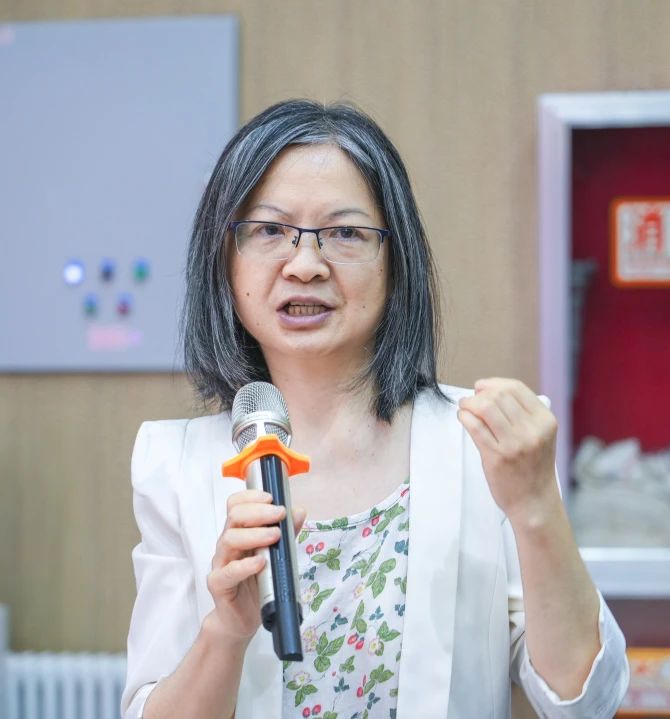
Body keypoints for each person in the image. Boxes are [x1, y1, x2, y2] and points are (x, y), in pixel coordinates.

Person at [121, 100, 629, 719]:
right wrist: (226, 631)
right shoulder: (173, 464)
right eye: (270, 230)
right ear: (224, 261)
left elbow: (585, 703)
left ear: (396, 261)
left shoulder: (484, 445)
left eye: (345, 233)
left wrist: (536, 507)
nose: (304, 265)